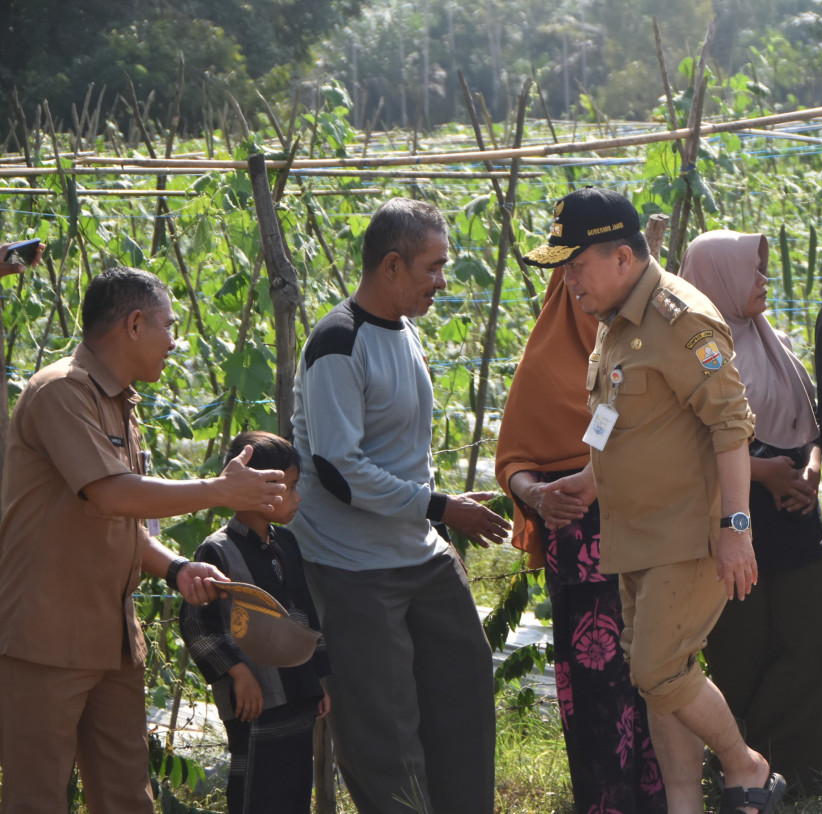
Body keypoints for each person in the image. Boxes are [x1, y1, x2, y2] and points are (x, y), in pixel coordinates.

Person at [529, 188, 785, 814]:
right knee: (661, 684)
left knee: (657, 671)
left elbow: (731, 425)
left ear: (621, 257)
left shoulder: (681, 320)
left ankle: (746, 766)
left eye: (576, 266)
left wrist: (737, 528)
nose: (569, 282)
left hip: (686, 535)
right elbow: (614, 419)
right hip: (634, 535)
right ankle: (683, 804)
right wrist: (587, 481)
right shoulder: (615, 323)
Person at [0, 266, 286, 813]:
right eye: (168, 325)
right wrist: (220, 489)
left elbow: (119, 522)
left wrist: (176, 568)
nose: (175, 342)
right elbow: (112, 496)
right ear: (134, 324)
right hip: (46, 638)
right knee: (37, 799)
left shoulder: (121, 403)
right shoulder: (61, 392)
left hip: (112, 637)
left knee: (128, 797)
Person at [289, 197, 509, 814]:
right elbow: (337, 469)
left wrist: (435, 513)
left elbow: (403, 449)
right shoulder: (338, 341)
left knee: (463, 690)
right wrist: (441, 507)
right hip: (355, 565)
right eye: (433, 268)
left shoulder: (404, 329)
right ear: (392, 265)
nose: (443, 281)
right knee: (384, 728)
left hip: (420, 554)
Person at [680, 229, 822, 796]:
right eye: (751, 272)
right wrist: (765, 474)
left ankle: (814, 773)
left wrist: (807, 471)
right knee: (744, 651)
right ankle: (749, 769)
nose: (763, 282)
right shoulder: (692, 352)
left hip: (795, 515)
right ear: (718, 280)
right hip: (733, 518)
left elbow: (808, 422)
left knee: (817, 636)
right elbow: (686, 449)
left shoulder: (769, 342)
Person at [495, 259, 665, 811]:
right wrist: (537, 494)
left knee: (657, 679)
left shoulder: (645, 347)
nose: (581, 293)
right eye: (571, 281)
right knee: (595, 695)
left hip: (649, 549)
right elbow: (514, 456)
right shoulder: (545, 361)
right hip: (583, 563)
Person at [180, 431, 332, 814]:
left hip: (297, 693)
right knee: (256, 794)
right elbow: (198, 625)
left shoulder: (287, 544)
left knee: (295, 789)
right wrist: (239, 675)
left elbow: (305, 615)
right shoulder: (218, 551)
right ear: (261, 489)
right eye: (292, 487)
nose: (297, 497)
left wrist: (319, 680)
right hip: (254, 701)